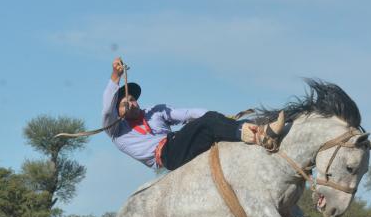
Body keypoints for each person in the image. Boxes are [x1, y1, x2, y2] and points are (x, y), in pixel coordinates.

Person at [102, 57, 285, 171]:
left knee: (213, 121)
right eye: (125, 102)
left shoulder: (154, 111)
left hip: (179, 140)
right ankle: (260, 136)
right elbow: (106, 110)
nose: (131, 103)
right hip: (167, 155)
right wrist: (115, 77)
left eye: (132, 99)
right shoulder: (116, 131)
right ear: (116, 110)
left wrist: (222, 118)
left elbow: (188, 113)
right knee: (209, 122)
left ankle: (264, 130)